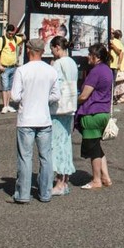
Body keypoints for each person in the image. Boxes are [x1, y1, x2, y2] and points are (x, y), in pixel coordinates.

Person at [9, 39, 60, 203]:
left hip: (26, 119)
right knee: (46, 157)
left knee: (25, 157)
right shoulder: (50, 70)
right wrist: (45, 98)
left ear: (29, 50)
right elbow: (56, 95)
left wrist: (26, 97)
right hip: (44, 119)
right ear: (42, 50)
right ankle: (45, 193)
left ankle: (23, 194)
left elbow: (15, 96)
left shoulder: (22, 70)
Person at [76, 43, 115, 189]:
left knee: (93, 149)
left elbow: (85, 95)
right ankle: (106, 178)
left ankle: (96, 180)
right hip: (103, 111)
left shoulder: (96, 71)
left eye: (90, 54)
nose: (87, 56)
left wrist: (73, 102)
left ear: (96, 57)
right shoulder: (107, 70)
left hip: (92, 112)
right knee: (96, 147)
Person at [50, 36, 79, 196]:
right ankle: (65, 181)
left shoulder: (58, 64)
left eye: (52, 49)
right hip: (70, 106)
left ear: (56, 48)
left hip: (59, 109)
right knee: (66, 143)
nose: (52, 52)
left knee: (57, 145)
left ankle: (60, 182)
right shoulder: (72, 63)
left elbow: (54, 85)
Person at [0, 24, 19, 113]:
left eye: (12, 34)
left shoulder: (15, 38)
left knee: (10, 87)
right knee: (5, 87)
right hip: (4, 67)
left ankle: (8, 105)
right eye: (9, 33)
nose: (11, 35)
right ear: (6, 32)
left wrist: (18, 34)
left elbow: (24, 37)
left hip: (13, 67)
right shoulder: (1, 39)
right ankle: (4, 105)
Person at [109, 29, 124, 104]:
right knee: (119, 82)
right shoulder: (116, 41)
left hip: (120, 65)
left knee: (120, 82)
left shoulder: (118, 42)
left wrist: (119, 64)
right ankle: (120, 97)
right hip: (117, 65)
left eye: (113, 33)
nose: (112, 35)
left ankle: (122, 97)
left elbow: (122, 53)